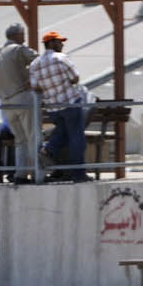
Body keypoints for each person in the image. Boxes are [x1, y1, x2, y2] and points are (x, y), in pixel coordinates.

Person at [29, 30, 89, 183]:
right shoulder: (61, 58)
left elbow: (35, 87)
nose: (62, 44)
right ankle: (79, 175)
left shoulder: (35, 64)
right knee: (77, 138)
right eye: (59, 42)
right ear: (51, 43)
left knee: (63, 132)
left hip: (53, 108)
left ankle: (48, 150)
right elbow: (75, 78)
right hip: (70, 103)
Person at [0, 23, 37, 183]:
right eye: (23, 34)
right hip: (22, 99)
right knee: (33, 137)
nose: (24, 37)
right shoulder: (19, 49)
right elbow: (39, 60)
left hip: (6, 104)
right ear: (17, 36)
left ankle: (20, 175)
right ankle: (37, 173)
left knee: (20, 140)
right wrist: (32, 77)